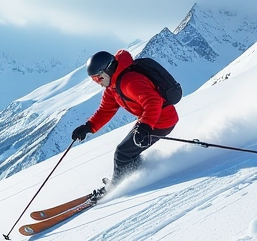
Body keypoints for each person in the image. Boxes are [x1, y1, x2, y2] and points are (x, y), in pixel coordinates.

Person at [70, 50, 179, 191]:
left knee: (122, 153)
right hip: (150, 121)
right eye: (94, 80)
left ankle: (115, 187)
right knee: (127, 152)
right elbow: (105, 110)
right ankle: (135, 175)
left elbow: (153, 102)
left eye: (98, 78)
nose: (99, 83)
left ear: (107, 70)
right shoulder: (113, 87)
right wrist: (88, 127)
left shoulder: (130, 81)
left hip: (161, 121)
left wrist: (145, 127)